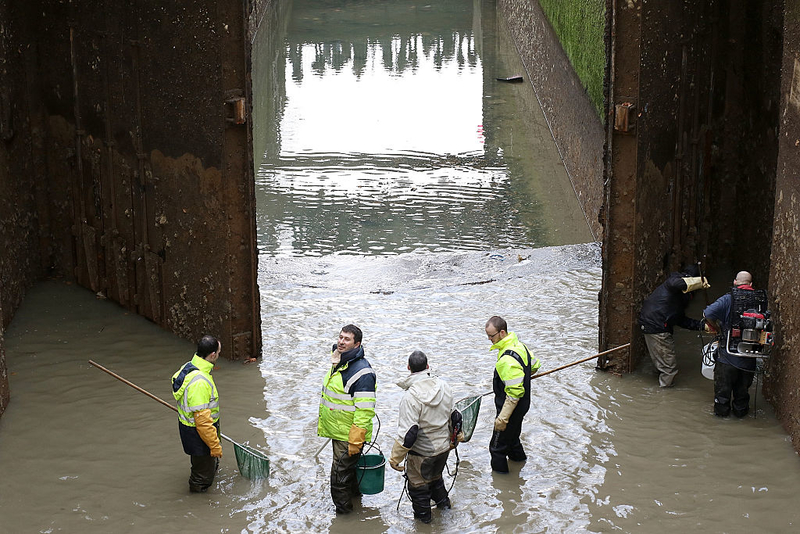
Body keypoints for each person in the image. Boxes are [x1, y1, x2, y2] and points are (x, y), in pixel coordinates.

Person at [389, 350, 461, 523]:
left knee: (419, 490)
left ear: (409, 368)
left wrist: (394, 459)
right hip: (443, 450)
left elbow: (409, 433)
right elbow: (456, 417)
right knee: (436, 480)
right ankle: (447, 515)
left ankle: (424, 524)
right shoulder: (444, 386)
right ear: (428, 366)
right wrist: (456, 439)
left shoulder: (410, 396)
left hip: (421, 455)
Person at [318, 324, 377, 514]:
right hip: (339, 430)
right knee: (349, 474)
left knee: (338, 478)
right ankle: (355, 506)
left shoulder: (362, 373)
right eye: (340, 337)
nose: (341, 342)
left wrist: (356, 439)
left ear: (357, 344)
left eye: (347, 339)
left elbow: (365, 410)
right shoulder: (340, 361)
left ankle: (344, 517)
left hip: (348, 436)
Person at [638, 265, 710, 387]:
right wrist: (697, 282)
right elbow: (675, 283)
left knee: (661, 362)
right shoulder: (674, 282)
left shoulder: (679, 297)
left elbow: (680, 319)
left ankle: (657, 383)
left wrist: (703, 326)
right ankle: (664, 394)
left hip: (653, 323)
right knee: (669, 367)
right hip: (657, 326)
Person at [485, 316, 541, 473]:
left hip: (512, 408)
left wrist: (502, 419)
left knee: (497, 448)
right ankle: (520, 464)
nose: (489, 339)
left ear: (502, 333)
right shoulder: (520, 346)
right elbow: (535, 365)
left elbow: (514, 394)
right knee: (512, 439)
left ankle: (503, 488)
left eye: (491, 336)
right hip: (524, 405)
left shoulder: (506, 360)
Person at [703, 271, 759, 417]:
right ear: (751, 284)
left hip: (727, 357)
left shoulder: (728, 299)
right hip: (749, 357)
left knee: (722, 397)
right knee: (742, 396)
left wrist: (715, 328)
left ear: (735, 282)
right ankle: (741, 420)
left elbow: (707, 313)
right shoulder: (760, 300)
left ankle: (720, 426)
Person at [171, 335, 222, 493]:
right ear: (212, 355)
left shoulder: (189, 366)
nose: (219, 356)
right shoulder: (200, 383)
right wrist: (215, 446)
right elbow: (203, 423)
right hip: (198, 434)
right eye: (219, 353)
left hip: (190, 429)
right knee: (201, 477)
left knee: (205, 466)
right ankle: (197, 501)